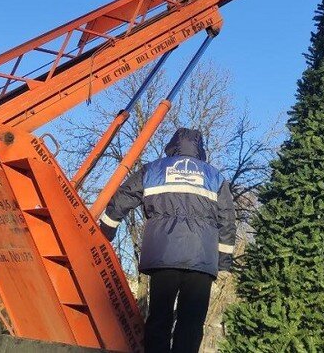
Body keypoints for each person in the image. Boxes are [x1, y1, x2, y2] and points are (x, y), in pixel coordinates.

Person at [98, 128, 236, 353]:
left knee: (159, 318)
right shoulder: (215, 177)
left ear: (173, 145)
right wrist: (223, 264)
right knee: (191, 323)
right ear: (200, 148)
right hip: (201, 260)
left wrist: (106, 229)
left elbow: (125, 196)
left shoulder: (153, 169)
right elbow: (227, 220)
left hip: (163, 255)